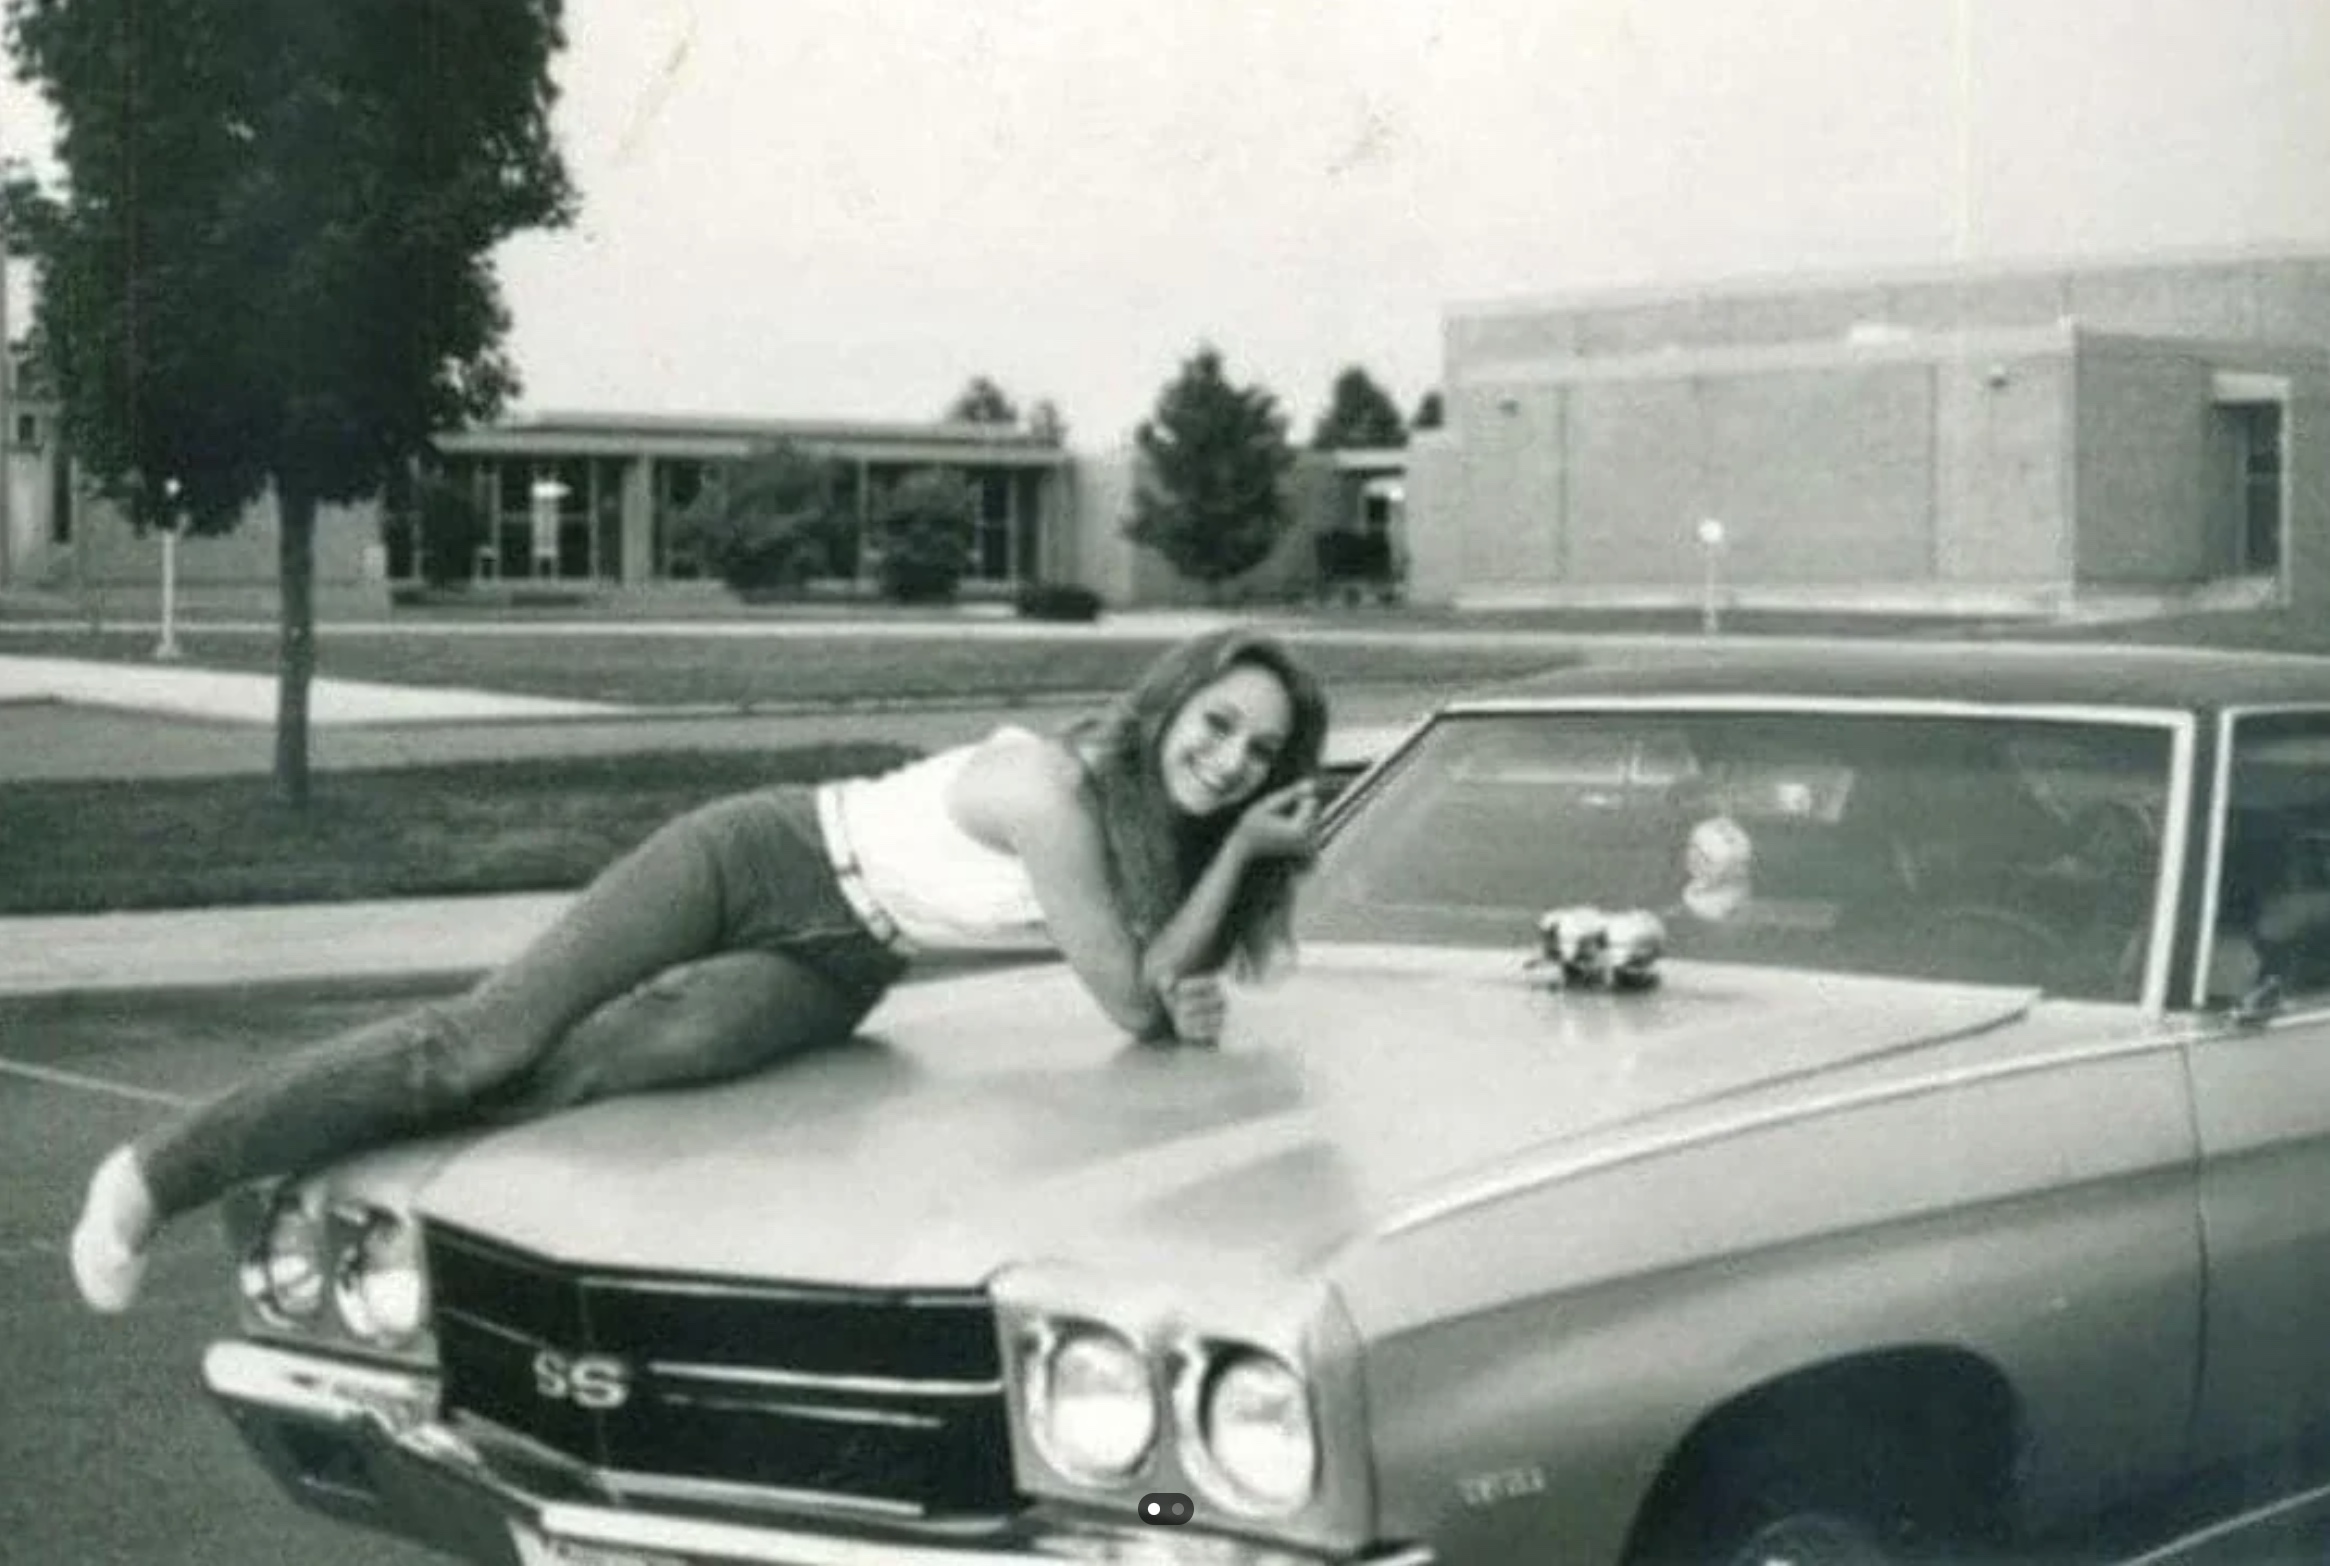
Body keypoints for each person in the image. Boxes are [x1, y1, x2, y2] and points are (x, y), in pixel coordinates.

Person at [69, 627, 1330, 1314]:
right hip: (762, 856)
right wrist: (1241, 870)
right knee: (483, 1043)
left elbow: (1156, 997)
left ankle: (341, 1171)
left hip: (845, 962)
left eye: (1256, 755)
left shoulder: (1157, 838)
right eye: (1215, 724)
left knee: (600, 1072)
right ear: (1170, 704)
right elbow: (1131, 996)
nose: (1225, 760)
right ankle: (156, 1174)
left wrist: (1223, 875)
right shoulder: (1055, 791)